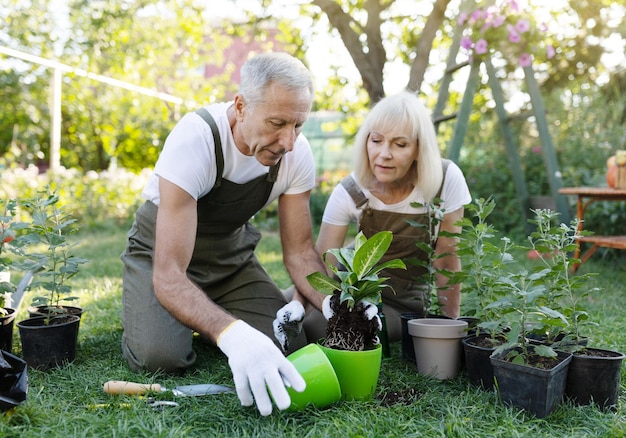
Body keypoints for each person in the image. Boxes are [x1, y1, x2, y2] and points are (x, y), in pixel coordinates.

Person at [120, 52, 330, 417]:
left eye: (298, 125)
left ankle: (241, 307)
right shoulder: (196, 138)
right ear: (241, 106)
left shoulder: (296, 154)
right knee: (161, 358)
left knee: (290, 342)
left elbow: (300, 254)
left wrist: (336, 304)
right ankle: (172, 315)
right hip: (163, 260)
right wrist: (233, 335)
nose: (289, 142)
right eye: (277, 123)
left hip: (230, 262)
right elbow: (170, 275)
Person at [287, 91, 472, 344]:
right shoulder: (352, 190)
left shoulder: (444, 180)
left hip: (401, 302)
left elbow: (447, 260)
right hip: (347, 286)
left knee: (316, 329)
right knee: (275, 304)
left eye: (400, 144)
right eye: (376, 140)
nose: (384, 153)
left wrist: (451, 329)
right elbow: (322, 263)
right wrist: (297, 306)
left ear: (419, 148)